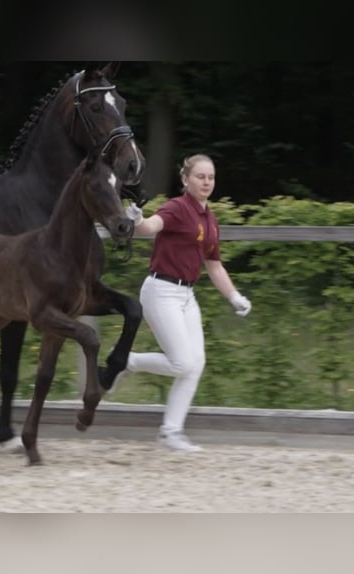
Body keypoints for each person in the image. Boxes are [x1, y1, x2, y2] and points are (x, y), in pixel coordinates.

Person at [117, 153, 251, 452]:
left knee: (195, 365)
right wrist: (137, 219)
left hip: (186, 295)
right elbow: (150, 227)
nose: (206, 182)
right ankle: (127, 361)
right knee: (182, 362)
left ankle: (171, 432)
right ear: (185, 179)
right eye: (200, 176)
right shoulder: (177, 208)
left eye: (210, 177)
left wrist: (234, 296)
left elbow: (214, 266)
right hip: (161, 291)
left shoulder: (210, 220)